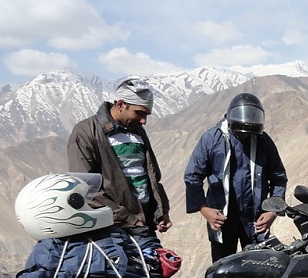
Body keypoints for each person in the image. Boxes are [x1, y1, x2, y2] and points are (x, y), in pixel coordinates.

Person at [184, 92, 288, 262]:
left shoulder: (263, 141)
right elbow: (192, 177)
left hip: (256, 221)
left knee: (259, 270)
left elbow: (278, 177)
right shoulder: (212, 139)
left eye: (248, 133)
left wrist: (273, 211)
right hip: (222, 220)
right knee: (223, 271)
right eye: (241, 132)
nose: (244, 136)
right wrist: (204, 209)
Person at [67, 77, 172, 235]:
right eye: (139, 113)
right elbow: (86, 186)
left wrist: (160, 213)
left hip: (143, 226)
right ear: (121, 104)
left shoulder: (136, 131)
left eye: (147, 115)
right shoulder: (86, 132)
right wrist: (129, 219)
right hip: (111, 229)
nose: (144, 121)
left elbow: (151, 177)